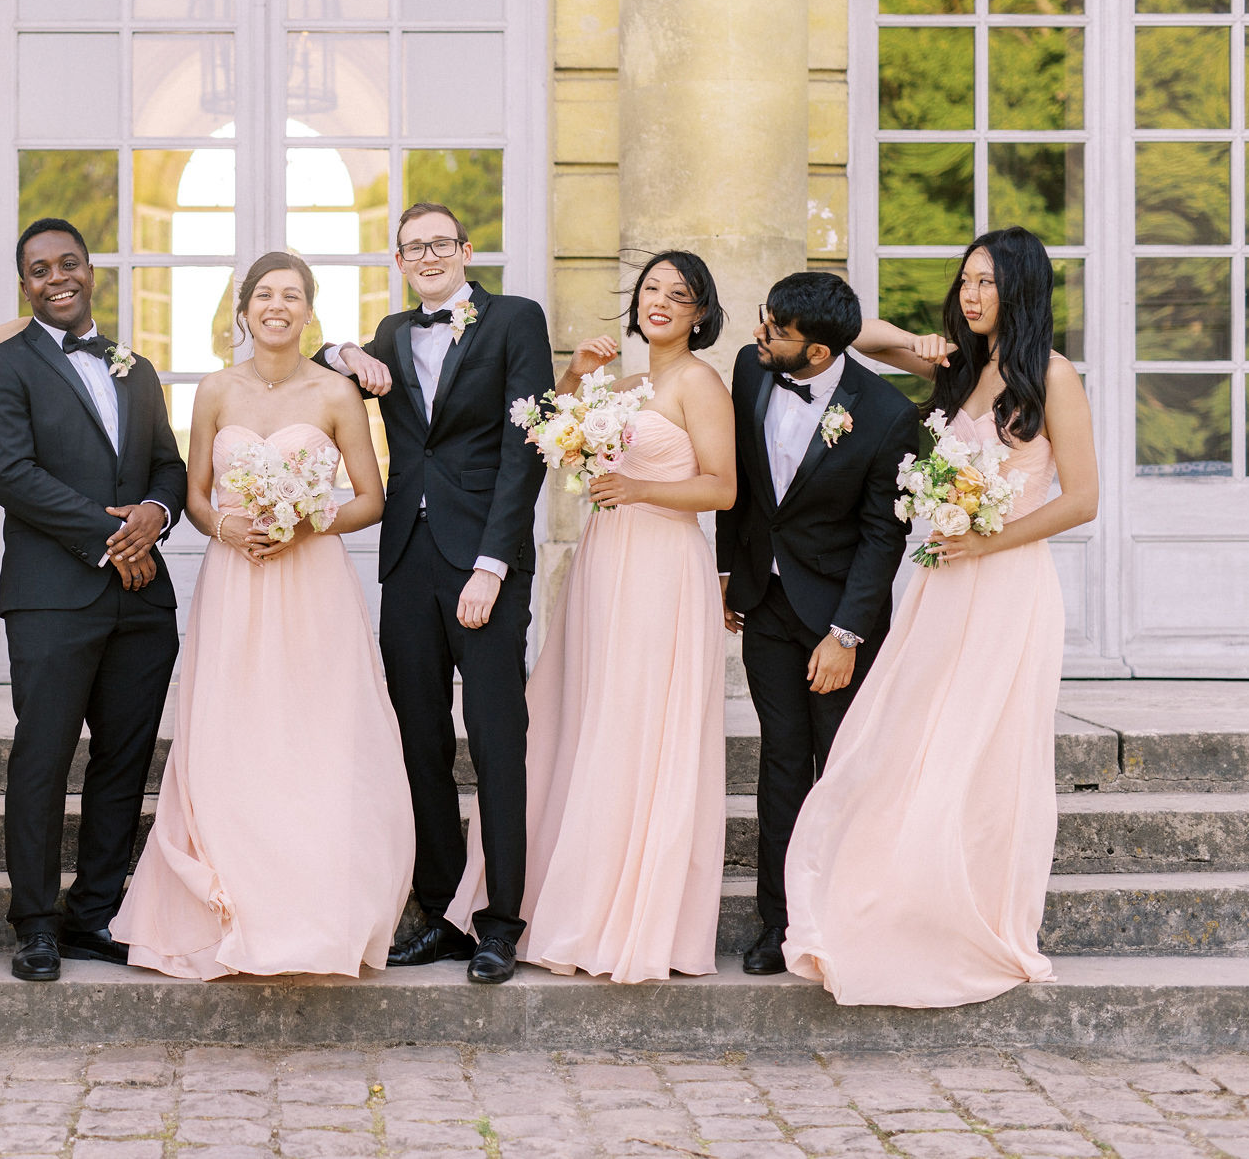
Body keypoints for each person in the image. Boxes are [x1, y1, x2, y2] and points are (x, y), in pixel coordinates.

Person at [783, 226, 1099, 1008]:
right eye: (965, 280)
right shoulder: (957, 366)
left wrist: (990, 539)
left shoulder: (1052, 375)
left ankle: (972, 917)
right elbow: (855, 332)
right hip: (937, 585)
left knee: (980, 755)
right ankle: (898, 904)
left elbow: (1083, 500)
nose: (972, 294)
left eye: (988, 281)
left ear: (1022, 288)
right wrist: (921, 340)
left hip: (1008, 587)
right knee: (901, 739)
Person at [111, 253, 413, 978]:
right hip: (236, 579)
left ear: (309, 310)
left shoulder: (336, 392)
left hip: (312, 582)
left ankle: (317, 906)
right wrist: (224, 527)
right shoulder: (216, 390)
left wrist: (308, 522)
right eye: (264, 295)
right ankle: (235, 904)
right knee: (235, 730)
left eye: (292, 296)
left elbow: (371, 497)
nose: (278, 306)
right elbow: (195, 494)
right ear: (244, 309)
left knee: (314, 733)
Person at [451, 252, 735, 982]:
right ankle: (571, 892)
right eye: (650, 290)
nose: (659, 302)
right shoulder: (627, 384)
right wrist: (575, 375)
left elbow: (722, 488)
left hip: (663, 565)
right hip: (605, 561)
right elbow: (548, 438)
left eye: (678, 294)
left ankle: (628, 909)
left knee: (640, 720)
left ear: (701, 312)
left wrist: (638, 488)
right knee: (591, 714)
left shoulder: (700, 382)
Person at [317, 202, 554, 985]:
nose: (427, 256)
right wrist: (347, 350)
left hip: (483, 558)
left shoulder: (516, 320)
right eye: (412, 248)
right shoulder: (391, 333)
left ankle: (501, 923)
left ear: (465, 249)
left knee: (495, 739)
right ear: (398, 260)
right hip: (408, 559)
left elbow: (527, 449)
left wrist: (493, 565)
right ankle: (445, 912)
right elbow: (312, 363)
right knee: (419, 742)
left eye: (439, 244)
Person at [0, 217, 188, 983]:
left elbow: (169, 466)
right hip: (53, 596)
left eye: (69, 263)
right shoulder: (2, 366)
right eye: (40, 269)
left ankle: (93, 912)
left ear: (91, 271)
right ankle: (35, 922)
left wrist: (155, 515)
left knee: (124, 761)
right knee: (43, 757)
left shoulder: (137, 367)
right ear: (23, 284)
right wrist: (114, 537)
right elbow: (11, 476)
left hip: (142, 603)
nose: (57, 277)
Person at [714, 271, 919, 976]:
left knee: (837, 767)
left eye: (776, 330)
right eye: (765, 319)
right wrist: (728, 572)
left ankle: (834, 915)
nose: (760, 335)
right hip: (765, 605)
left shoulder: (888, 414)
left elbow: (883, 537)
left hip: (837, 618)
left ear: (821, 352)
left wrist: (846, 636)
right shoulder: (751, 371)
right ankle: (777, 923)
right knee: (781, 759)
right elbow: (742, 487)